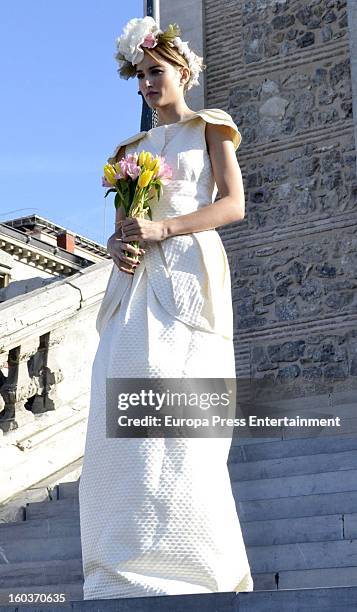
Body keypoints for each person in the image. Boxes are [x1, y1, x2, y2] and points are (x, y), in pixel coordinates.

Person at [78, 16, 254, 600]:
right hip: (133, 287)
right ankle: (119, 570)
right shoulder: (129, 150)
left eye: (156, 73)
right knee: (119, 412)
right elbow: (121, 227)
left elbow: (233, 206)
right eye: (141, 77)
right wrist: (119, 243)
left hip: (186, 275)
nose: (148, 85)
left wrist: (165, 228)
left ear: (182, 71)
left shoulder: (212, 128)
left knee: (182, 420)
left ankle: (198, 567)